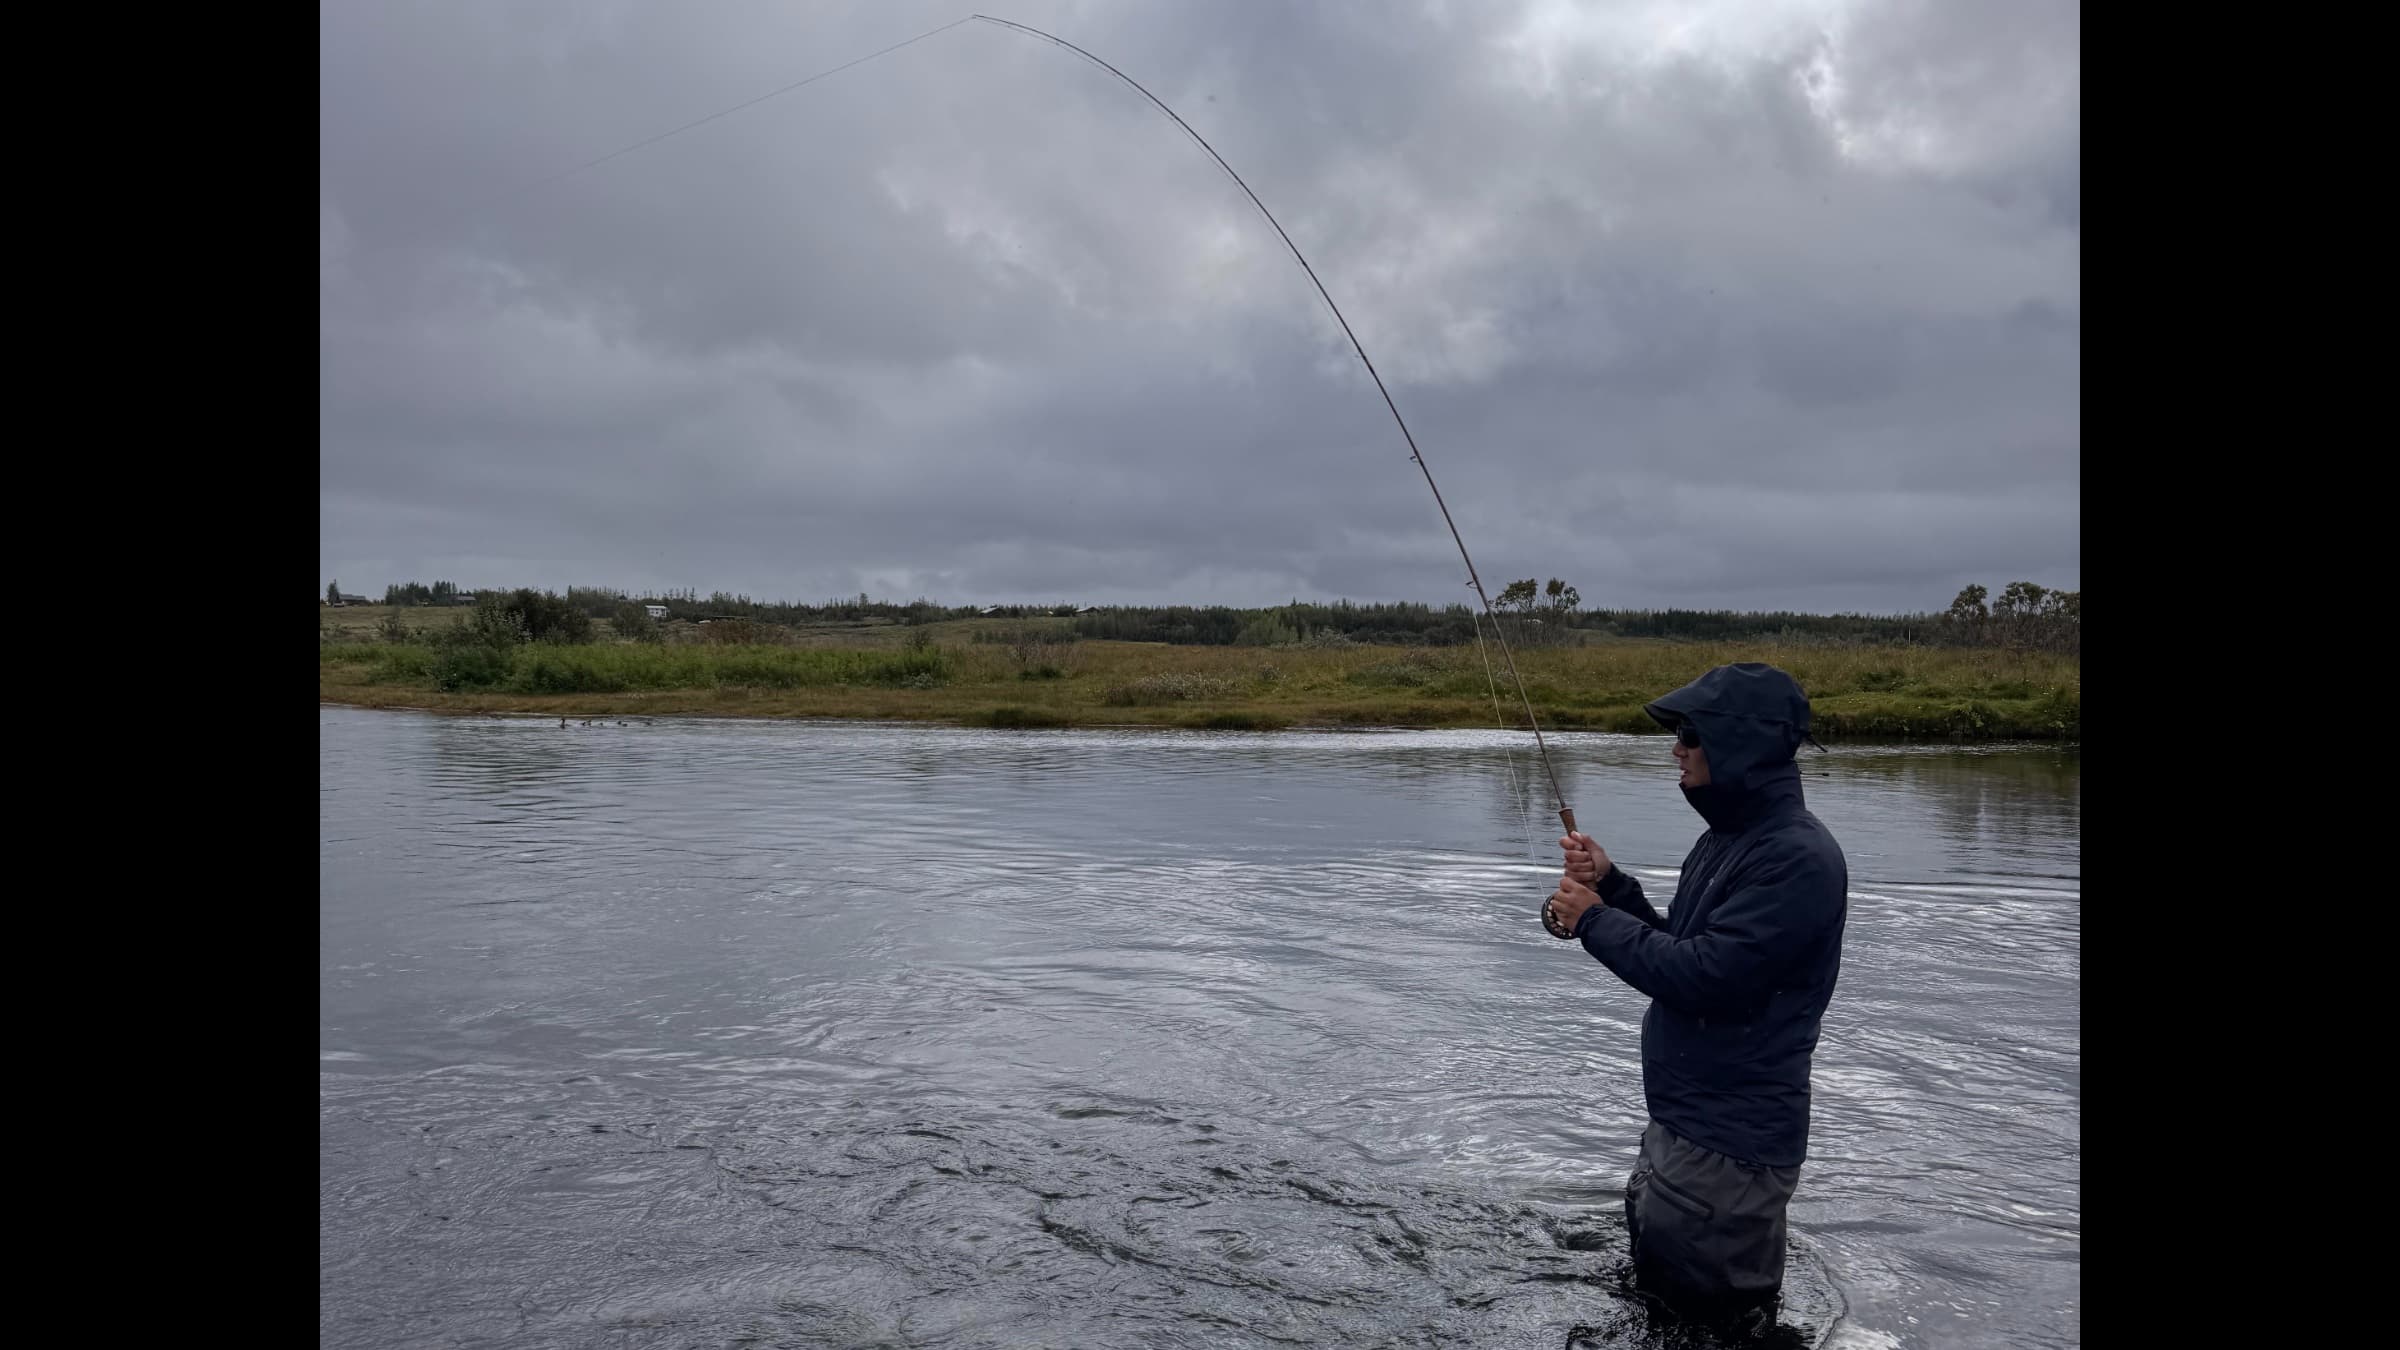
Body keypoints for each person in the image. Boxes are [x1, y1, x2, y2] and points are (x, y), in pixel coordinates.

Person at [1541, 662, 1848, 1330]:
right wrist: (1615, 888)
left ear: (1741, 742)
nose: (1675, 747)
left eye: (1690, 732)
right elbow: (1683, 948)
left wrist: (1593, 918)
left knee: (1710, 1330)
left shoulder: (1797, 859)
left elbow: (1707, 978)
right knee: (1662, 1317)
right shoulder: (1728, 841)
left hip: (1726, 1158)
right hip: (1683, 1138)